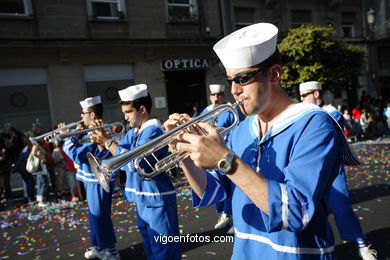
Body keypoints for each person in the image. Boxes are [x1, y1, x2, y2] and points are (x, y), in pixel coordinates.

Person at [164, 22, 362, 259]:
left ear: (274, 74)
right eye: (230, 81)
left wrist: (227, 161)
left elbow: (295, 212)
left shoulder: (315, 124)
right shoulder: (241, 129)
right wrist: (184, 152)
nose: (234, 90)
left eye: (243, 78)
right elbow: (214, 192)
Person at [90, 84, 181, 260]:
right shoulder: (134, 132)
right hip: (143, 199)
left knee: (164, 252)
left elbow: (134, 163)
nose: (124, 118)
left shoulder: (153, 130)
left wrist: (108, 142)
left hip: (157, 200)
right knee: (151, 251)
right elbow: (120, 153)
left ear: (142, 109)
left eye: (128, 112)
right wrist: (102, 138)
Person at [299, 81, 377, 260]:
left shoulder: (332, 112)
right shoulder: (307, 113)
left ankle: (362, 247)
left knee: (342, 208)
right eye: (301, 96)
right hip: (312, 172)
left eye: (305, 95)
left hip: (333, 172)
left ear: (316, 94)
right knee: (314, 214)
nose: (301, 99)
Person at [61, 96, 119, 260]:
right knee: (95, 217)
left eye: (84, 113)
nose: (81, 116)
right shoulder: (91, 131)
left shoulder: (97, 132)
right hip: (92, 180)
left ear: (92, 115)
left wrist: (69, 138)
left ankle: (112, 252)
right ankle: (99, 247)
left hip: (97, 182)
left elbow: (77, 155)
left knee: (100, 218)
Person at [200, 84, 243, 233]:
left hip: (226, 152)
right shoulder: (205, 111)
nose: (216, 97)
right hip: (210, 154)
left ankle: (233, 217)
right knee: (217, 185)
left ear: (223, 96)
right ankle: (224, 214)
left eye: (219, 94)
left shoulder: (230, 109)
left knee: (231, 186)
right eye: (213, 94)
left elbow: (237, 130)